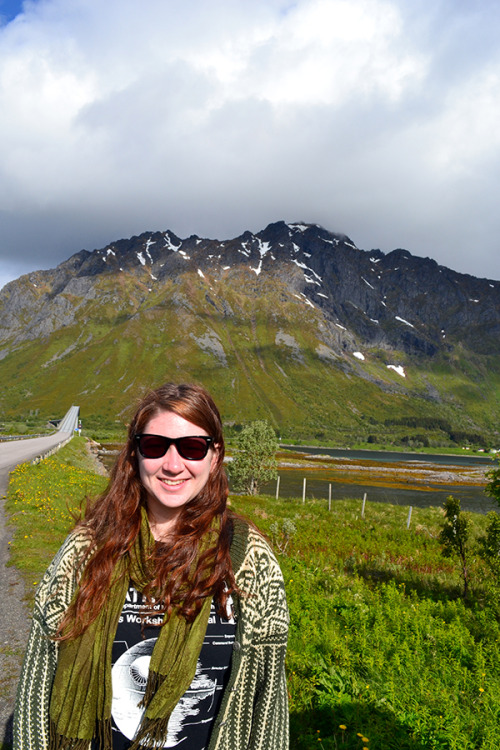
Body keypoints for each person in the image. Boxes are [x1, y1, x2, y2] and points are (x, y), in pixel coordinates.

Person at [13, 383, 289, 750]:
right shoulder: (86, 550)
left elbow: (267, 705)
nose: (173, 465)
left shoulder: (248, 558)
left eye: (192, 447)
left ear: (215, 455)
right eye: (156, 446)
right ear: (135, 452)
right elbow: (39, 679)